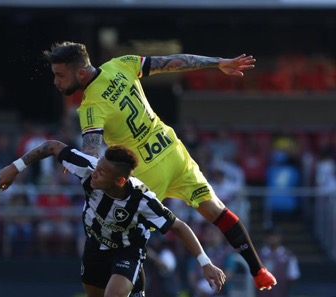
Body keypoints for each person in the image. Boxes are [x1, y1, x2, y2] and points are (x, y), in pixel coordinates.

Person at [43, 41, 276, 290]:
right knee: (216, 211)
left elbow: (90, 151)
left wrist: (74, 162)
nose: (56, 82)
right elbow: (173, 62)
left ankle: (136, 292)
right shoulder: (121, 64)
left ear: (80, 73)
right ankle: (259, 270)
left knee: (128, 241)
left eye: (60, 75)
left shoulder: (90, 107)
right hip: (173, 152)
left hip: (146, 174)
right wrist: (218, 62)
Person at [0, 140, 226, 297]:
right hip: (95, 245)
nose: (95, 173)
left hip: (127, 249)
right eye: (98, 167)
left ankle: (134, 279)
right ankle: (137, 286)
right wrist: (15, 167)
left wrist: (205, 263)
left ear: (119, 181)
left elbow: (178, 226)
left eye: (102, 172)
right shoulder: (88, 168)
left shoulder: (142, 200)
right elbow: (52, 146)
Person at [257, 227, 300, 297]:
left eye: (275, 236)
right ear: (265, 238)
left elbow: (292, 276)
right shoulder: (259, 255)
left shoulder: (288, 256)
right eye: (270, 236)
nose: (272, 238)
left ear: (280, 237)